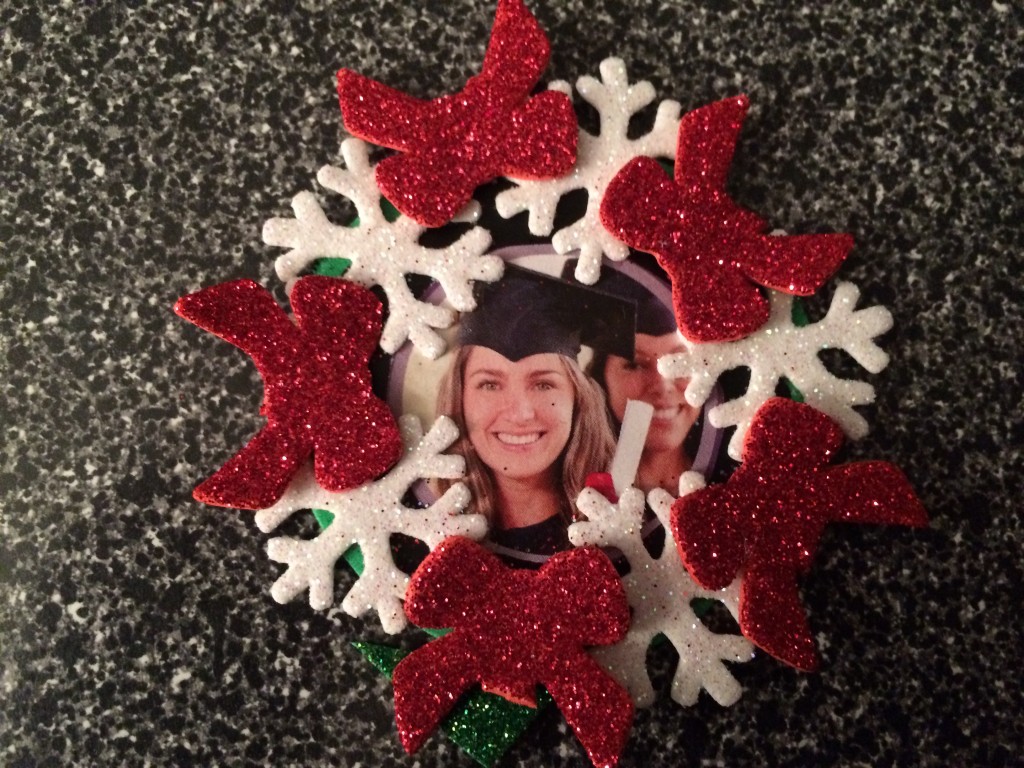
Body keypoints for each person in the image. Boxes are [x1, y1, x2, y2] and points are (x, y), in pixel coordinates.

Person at [435, 267, 632, 562]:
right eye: (489, 384)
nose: (521, 413)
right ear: (459, 400)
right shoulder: (430, 534)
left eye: (543, 384)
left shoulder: (619, 530)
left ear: (578, 400)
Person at [584, 267, 700, 495]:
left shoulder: (732, 475)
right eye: (635, 365)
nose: (662, 385)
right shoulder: (579, 495)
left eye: (679, 361)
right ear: (601, 379)